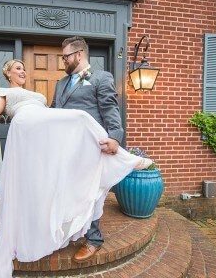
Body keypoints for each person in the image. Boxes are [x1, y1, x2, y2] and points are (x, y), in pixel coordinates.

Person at [0, 59, 152, 278]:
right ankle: (126, 159)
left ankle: (121, 158)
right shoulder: (3, 91)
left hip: (41, 129)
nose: (23, 71)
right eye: (18, 69)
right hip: (26, 125)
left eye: (24, 68)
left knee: (54, 174)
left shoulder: (35, 94)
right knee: (80, 117)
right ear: (8, 73)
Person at [51, 36, 123, 262]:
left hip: (89, 147)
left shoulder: (101, 77)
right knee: (65, 190)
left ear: (79, 54)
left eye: (66, 56)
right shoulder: (60, 84)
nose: (63, 61)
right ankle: (71, 230)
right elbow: (54, 111)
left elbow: (109, 108)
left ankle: (93, 239)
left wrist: (115, 137)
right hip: (64, 148)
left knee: (89, 192)